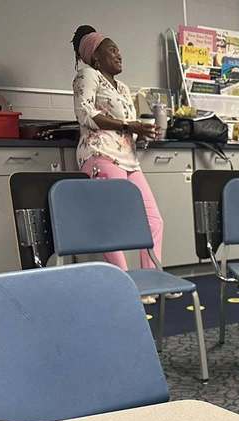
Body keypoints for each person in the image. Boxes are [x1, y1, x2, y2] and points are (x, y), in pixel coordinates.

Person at [71, 28, 164, 296]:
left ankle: (150, 282)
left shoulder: (122, 87)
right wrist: (128, 125)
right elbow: (85, 113)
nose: (119, 54)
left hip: (128, 159)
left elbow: (127, 125)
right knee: (113, 224)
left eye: (118, 49)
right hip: (101, 154)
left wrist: (140, 132)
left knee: (153, 220)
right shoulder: (88, 75)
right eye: (112, 50)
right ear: (96, 58)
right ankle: (124, 287)